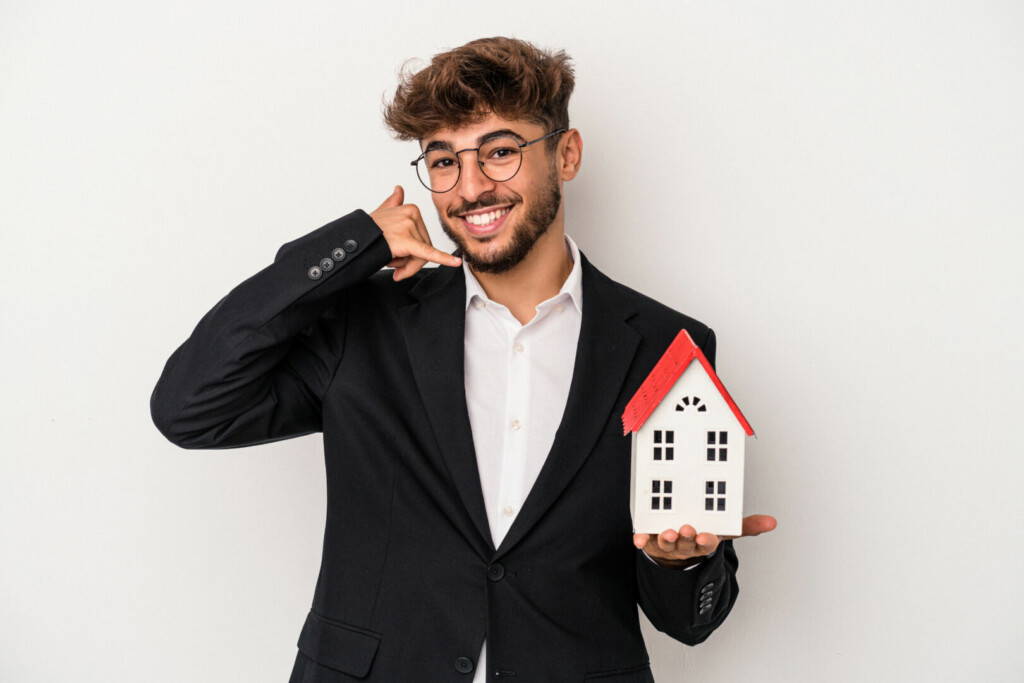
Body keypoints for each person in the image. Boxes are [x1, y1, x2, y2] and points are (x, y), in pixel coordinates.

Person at [150, 35, 776, 682]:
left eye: (501, 152)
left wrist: (682, 562)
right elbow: (188, 408)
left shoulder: (666, 344)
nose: (471, 187)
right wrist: (353, 244)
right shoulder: (364, 322)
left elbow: (691, 622)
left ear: (566, 153)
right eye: (444, 161)